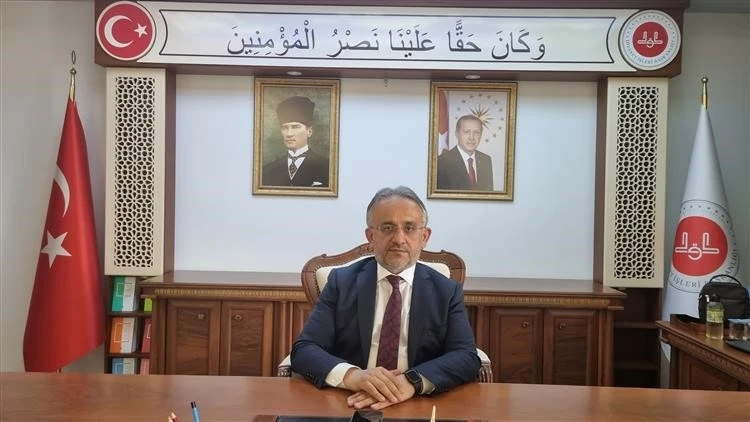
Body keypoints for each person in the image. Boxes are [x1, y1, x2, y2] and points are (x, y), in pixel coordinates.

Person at [291, 186, 480, 410]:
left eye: (409, 228)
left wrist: (412, 381)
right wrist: (352, 376)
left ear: (424, 237)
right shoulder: (341, 282)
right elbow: (305, 349)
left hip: (418, 401)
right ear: (371, 236)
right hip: (349, 400)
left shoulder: (446, 291)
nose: (399, 239)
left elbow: (466, 356)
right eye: (388, 228)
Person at [262, 96, 329, 187]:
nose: (289, 134)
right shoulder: (268, 170)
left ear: (309, 131)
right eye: (285, 128)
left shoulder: (326, 167)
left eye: (295, 127)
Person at [436, 114, 494, 191]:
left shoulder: (486, 160)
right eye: (466, 132)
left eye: (476, 132)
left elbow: (488, 195)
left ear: (481, 135)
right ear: (457, 134)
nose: (471, 137)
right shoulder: (442, 162)